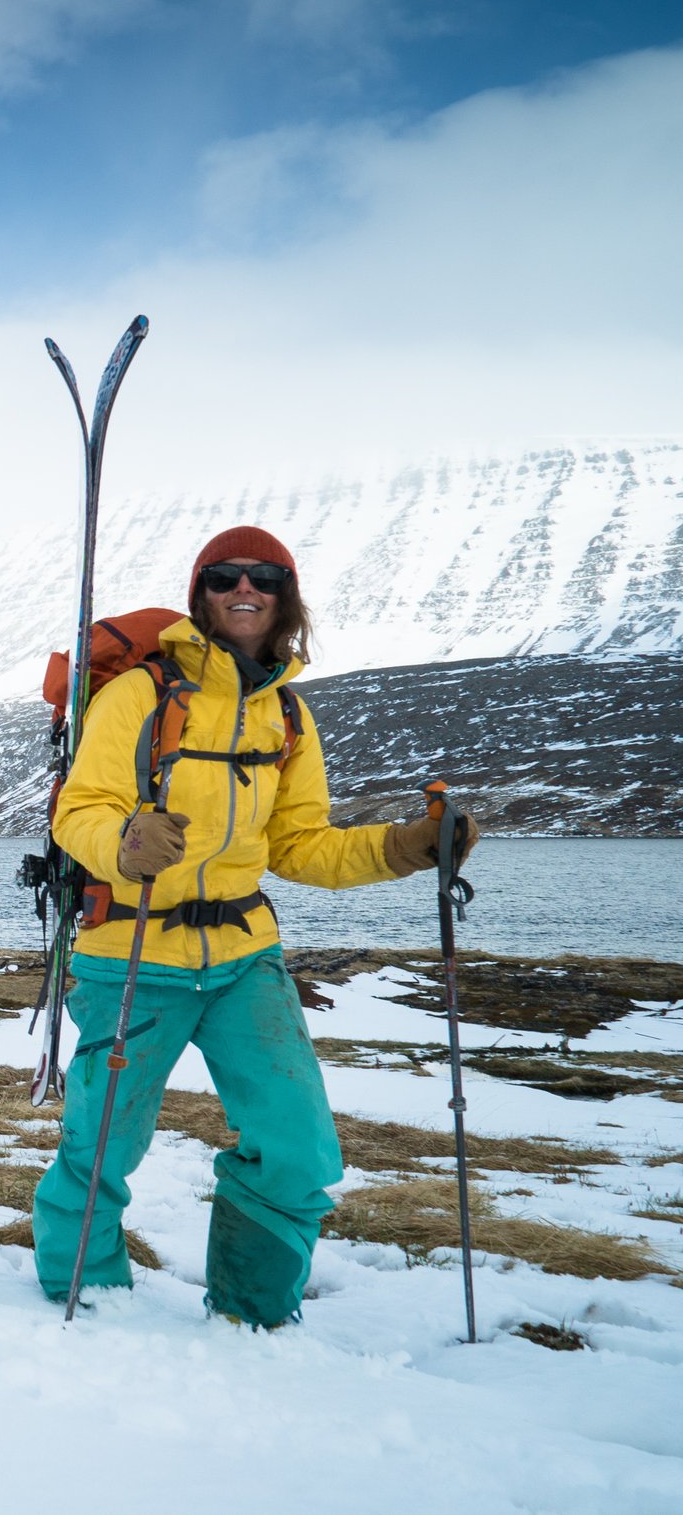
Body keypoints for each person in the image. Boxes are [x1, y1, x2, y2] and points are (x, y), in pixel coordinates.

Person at [31, 525, 476, 1328]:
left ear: (285, 595)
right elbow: (80, 811)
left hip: (244, 960)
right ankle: (84, 1289)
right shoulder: (140, 695)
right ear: (199, 593)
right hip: (130, 951)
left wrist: (405, 847)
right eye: (224, 576)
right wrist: (124, 841)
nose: (246, 588)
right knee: (103, 1143)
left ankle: (253, 1315)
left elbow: (301, 845)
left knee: (298, 1145)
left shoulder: (287, 718)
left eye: (265, 577)